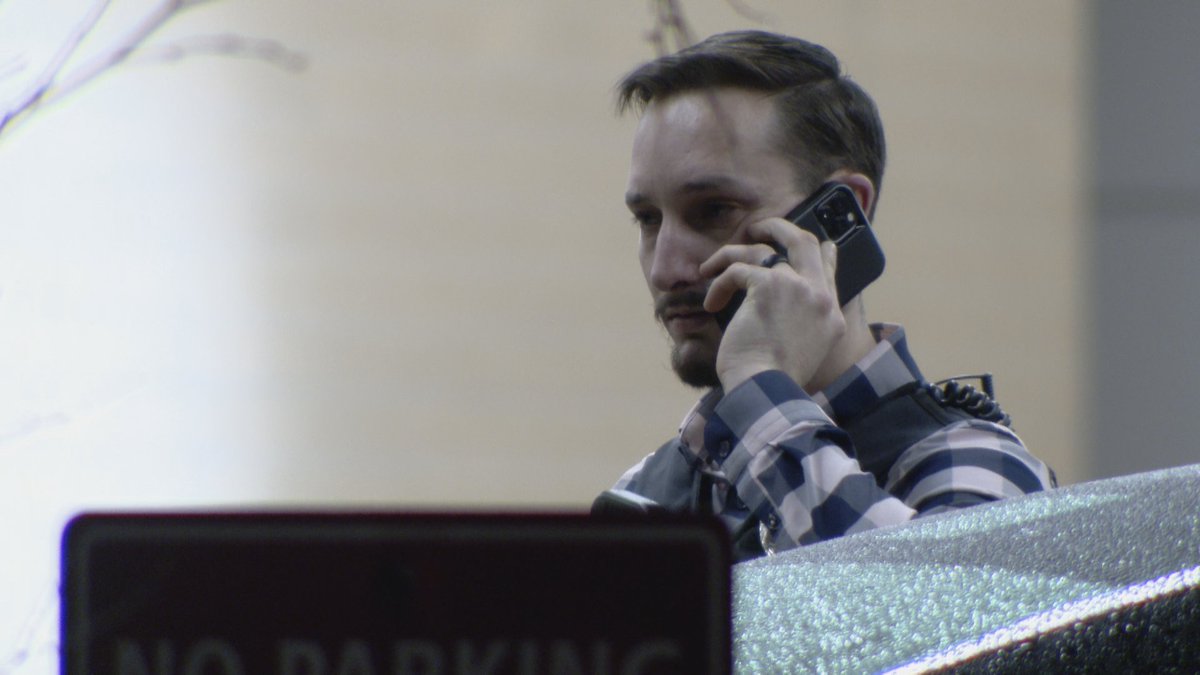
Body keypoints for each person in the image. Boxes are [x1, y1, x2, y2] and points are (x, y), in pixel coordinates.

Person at [599, 30, 1055, 561]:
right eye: (648, 219)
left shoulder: (982, 467)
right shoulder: (645, 492)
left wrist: (758, 387)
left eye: (715, 210)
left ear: (841, 215)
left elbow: (913, 624)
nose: (665, 268)